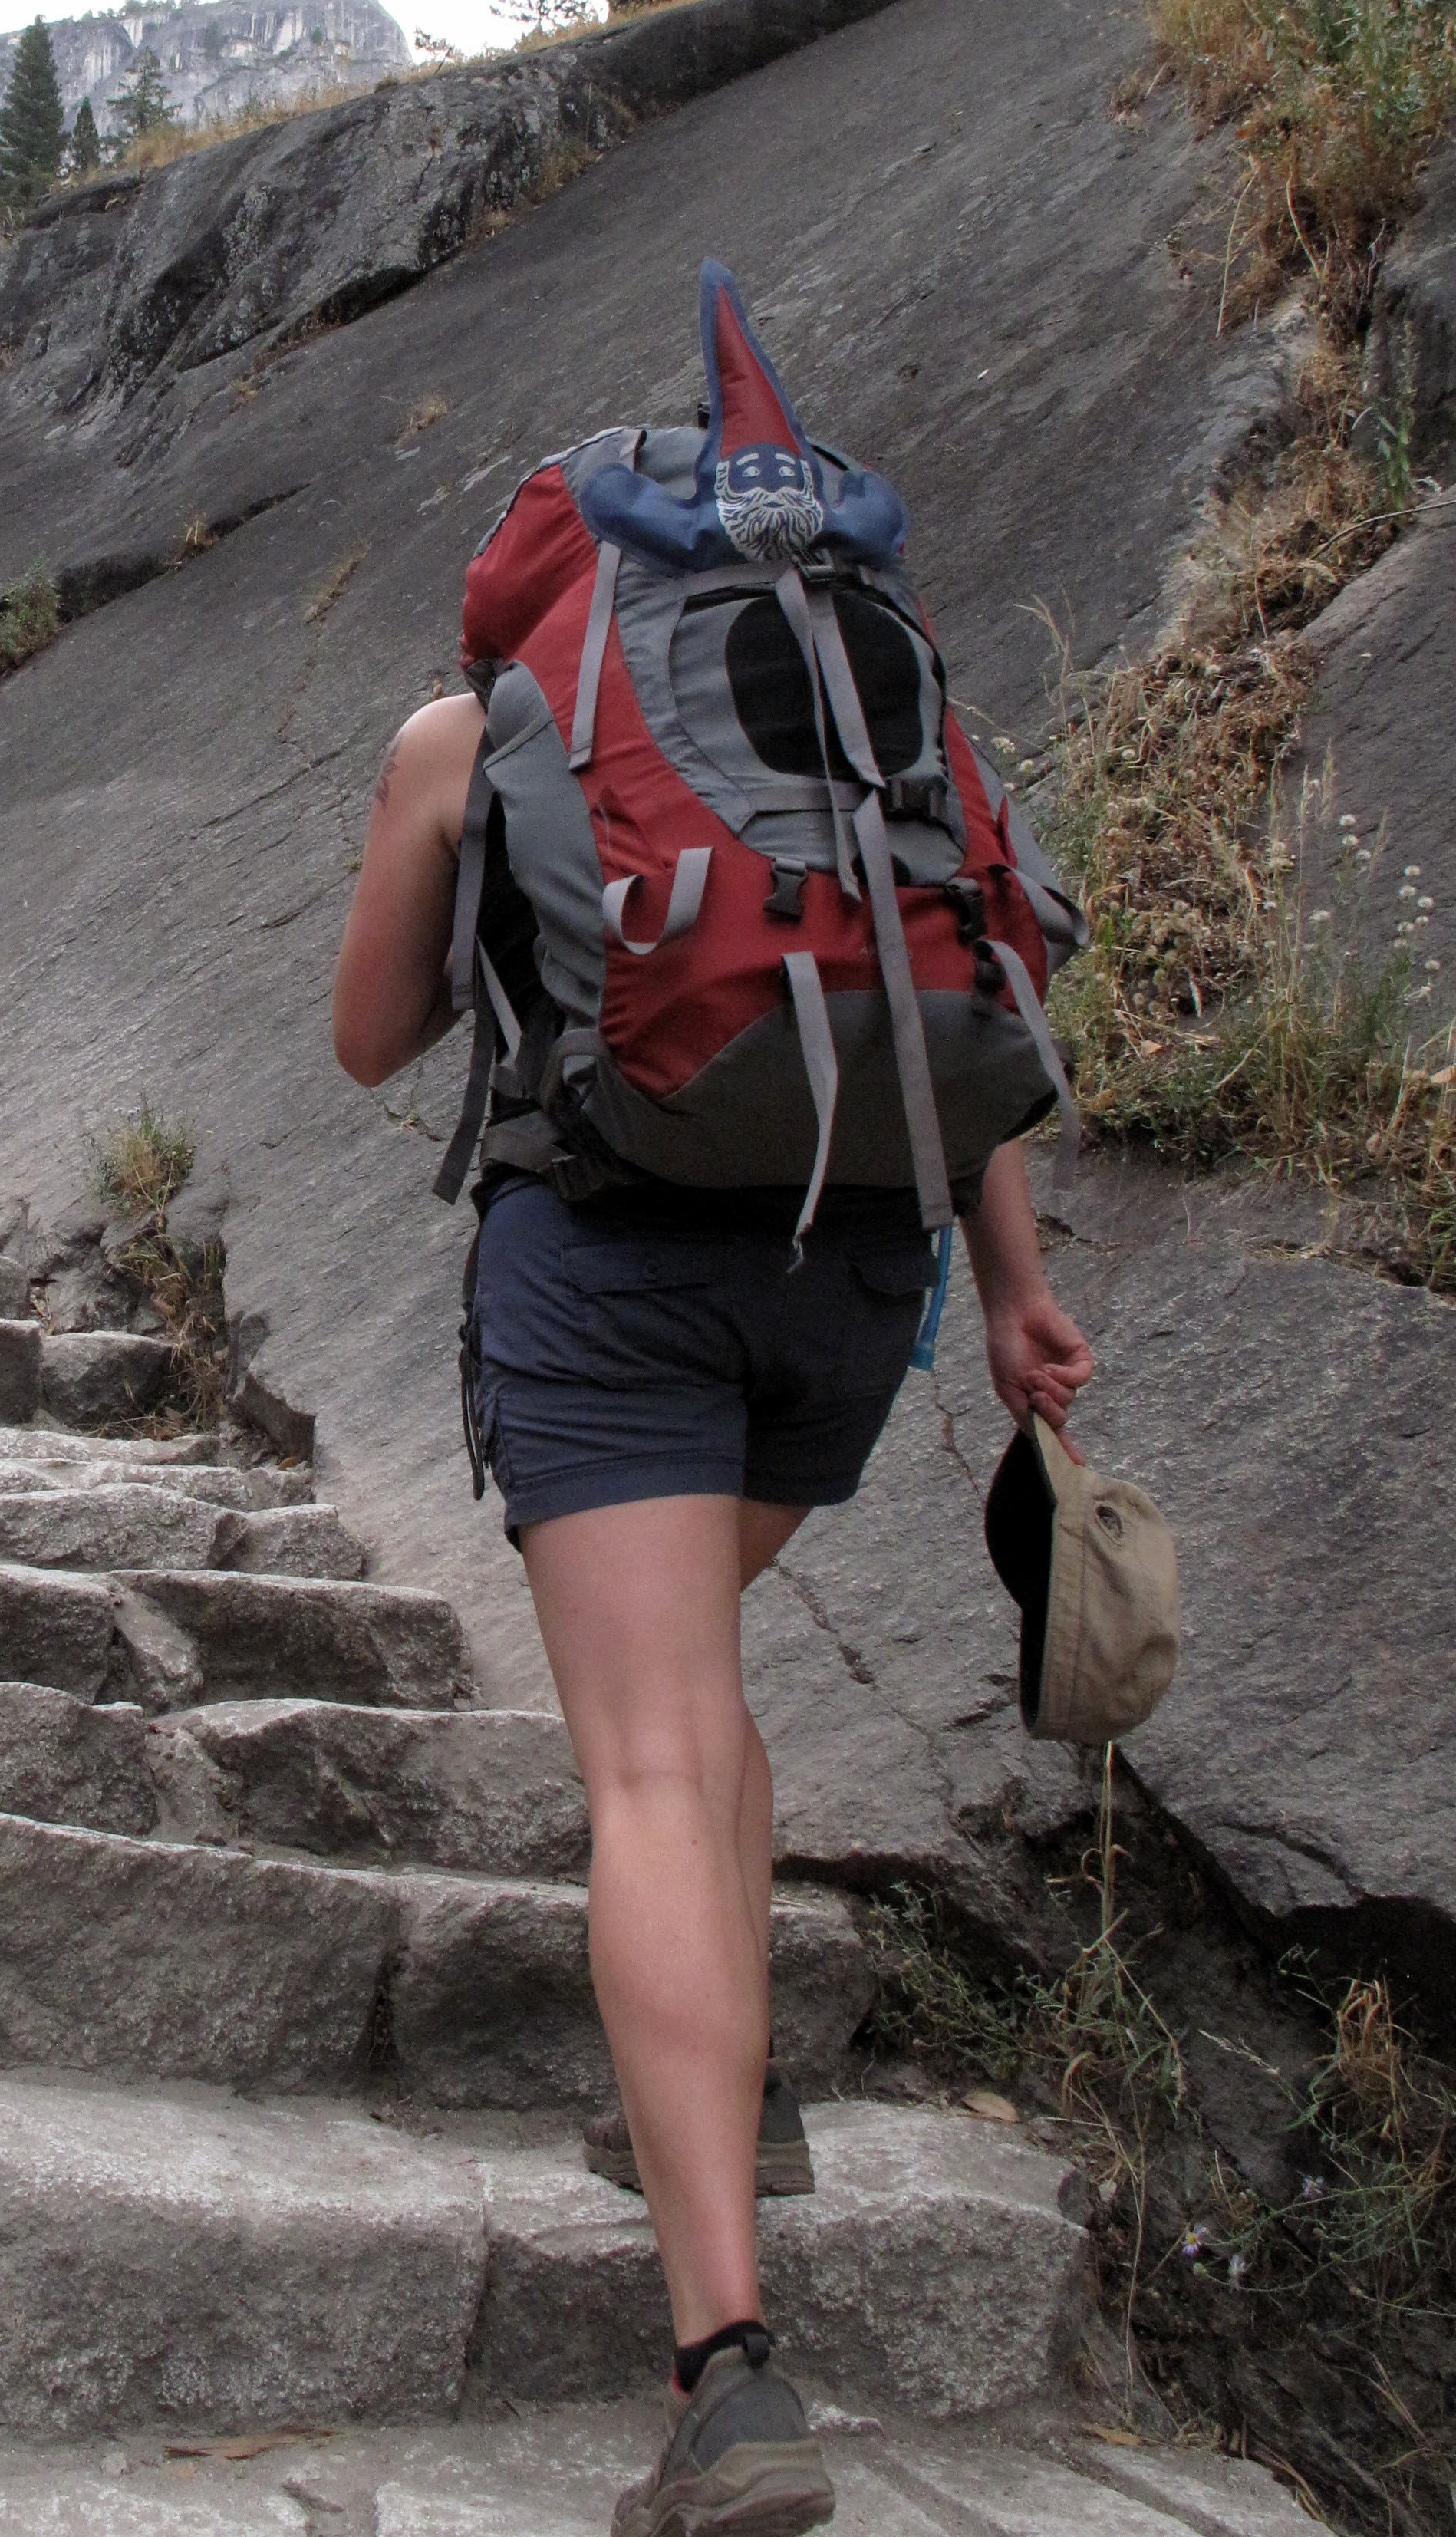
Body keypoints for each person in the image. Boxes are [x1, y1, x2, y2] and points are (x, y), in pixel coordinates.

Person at [332, 687, 1095, 2537]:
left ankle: (725, 2378)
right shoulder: (868, 720)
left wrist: (510, 931)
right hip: (854, 1276)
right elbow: (952, 1005)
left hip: (613, 1260)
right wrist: (1014, 1289)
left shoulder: (468, 734)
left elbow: (371, 1038)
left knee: (654, 1759)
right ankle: (725, 2098)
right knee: (698, 1685)